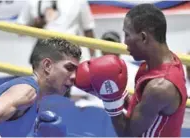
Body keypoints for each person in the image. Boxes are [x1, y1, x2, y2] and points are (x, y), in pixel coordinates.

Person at [75, 4, 187, 137]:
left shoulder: (160, 87)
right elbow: (139, 106)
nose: (124, 42)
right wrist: (109, 91)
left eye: (127, 34)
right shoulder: (157, 64)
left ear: (143, 38)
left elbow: (128, 133)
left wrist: (111, 102)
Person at [0, 37, 81, 137]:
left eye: (76, 71)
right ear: (48, 65)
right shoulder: (27, 90)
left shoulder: (36, 98)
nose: (74, 76)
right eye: (69, 68)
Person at [17, 0, 96, 58]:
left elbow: (88, 29)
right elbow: (20, 31)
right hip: (43, 54)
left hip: (71, 53)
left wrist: (93, 57)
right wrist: (38, 24)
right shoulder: (32, 2)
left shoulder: (79, 1)